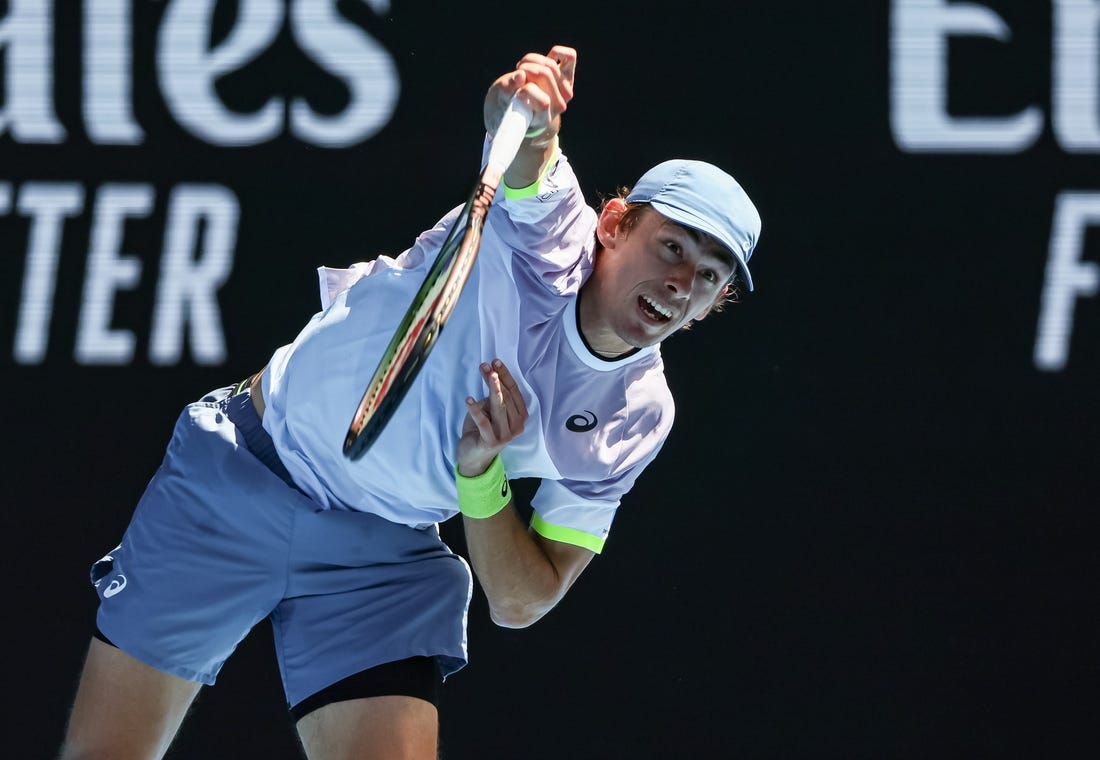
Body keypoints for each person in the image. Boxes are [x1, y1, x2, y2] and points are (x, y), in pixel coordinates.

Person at [59, 44, 761, 759]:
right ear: (613, 225)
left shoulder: (636, 415)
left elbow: (522, 599)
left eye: (707, 277)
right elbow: (529, 147)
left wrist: (481, 476)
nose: (680, 284)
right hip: (242, 473)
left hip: (381, 554)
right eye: (671, 247)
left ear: (711, 307)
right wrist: (526, 104)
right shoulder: (550, 234)